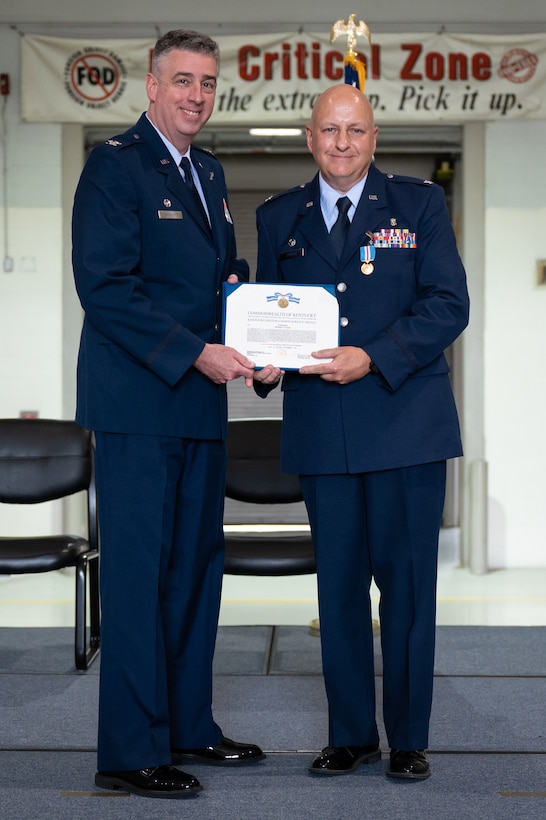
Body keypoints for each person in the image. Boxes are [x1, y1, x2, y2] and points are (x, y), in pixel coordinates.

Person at [254, 84, 469, 780]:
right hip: (324, 433)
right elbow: (268, 312)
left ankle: (408, 740)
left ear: (374, 138)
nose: (342, 143)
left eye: (356, 131)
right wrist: (262, 365)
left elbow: (448, 304)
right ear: (309, 138)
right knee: (338, 592)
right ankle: (350, 736)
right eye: (329, 131)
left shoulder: (419, 205)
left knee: (406, 593)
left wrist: (374, 355)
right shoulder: (277, 215)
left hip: (406, 426)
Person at [72, 29, 264, 799]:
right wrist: (198, 351)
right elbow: (108, 288)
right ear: (151, 87)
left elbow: (220, 278)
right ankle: (128, 751)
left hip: (199, 408)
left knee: (194, 574)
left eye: (208, 84)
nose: (196, 95)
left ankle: (189, 726)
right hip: (139, 407)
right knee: (139, 576)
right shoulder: (115, 167)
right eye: (182, 80)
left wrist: (253, 323)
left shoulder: (208, 171)